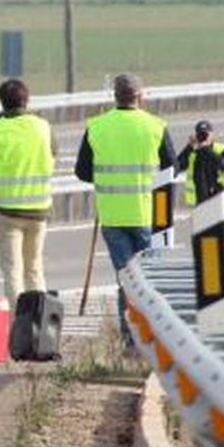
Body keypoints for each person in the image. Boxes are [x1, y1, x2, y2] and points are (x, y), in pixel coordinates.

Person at [75, 73, 175, 328]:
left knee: (126, 278)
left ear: (115, 96)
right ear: (140, 96)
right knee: (148, 279)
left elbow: (82, 171)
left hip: (112, 216)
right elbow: (171, 168)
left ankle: (130, 335)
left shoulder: (96, 126)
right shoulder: (155, 126)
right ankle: (152, 331)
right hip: (147, 215)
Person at [0, 79, 55, 300]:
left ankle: (18, 326)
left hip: (6, 212)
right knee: (35, 270)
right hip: (39, 209)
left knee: (13, 273)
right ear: (26, 100)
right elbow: (52, 153)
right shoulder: (43, 127)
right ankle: (38, 324)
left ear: (1, 102)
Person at [175, 119, 224, 209]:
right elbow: (177, 166)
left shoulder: (221, 149)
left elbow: (223, 165)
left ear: (212, 135)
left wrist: (206, 149)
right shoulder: (193, 152)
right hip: (198, 200)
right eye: (200, 134)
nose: (204, 137)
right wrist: (188, 147)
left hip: (219, 197)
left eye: (206, 134)